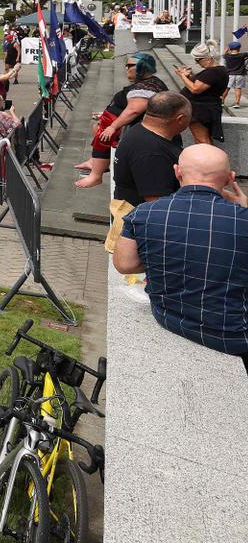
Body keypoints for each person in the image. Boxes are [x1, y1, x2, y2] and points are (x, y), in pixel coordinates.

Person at [114, 144, 248, 374]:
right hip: (234, 336)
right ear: (230, 178)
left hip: (168, 318)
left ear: (177, 172)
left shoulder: (143, 213)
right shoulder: (243, 220)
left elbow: (124, 264)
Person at [105, 91, 191, 251]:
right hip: (144, 238)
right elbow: (157, 205)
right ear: (180, 119)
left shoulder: (140, 130)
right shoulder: (151, 151)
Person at [75, 52, 167, 188]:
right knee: (99, 129)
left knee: (105, 135)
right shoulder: (145, 84)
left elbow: (134, 110)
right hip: (120, 122)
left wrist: (113, 126)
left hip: (135, 130)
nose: (126, 68)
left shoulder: (146, 88)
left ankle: (96, 175)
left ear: (142, 67)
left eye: (129, 65)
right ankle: (95, 162)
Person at [174, 40, 229, 145]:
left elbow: (195, 89)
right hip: (205, 108)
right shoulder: (218, 70)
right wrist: (188, 76)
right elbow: (204, 84)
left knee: (201, 140)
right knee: (203, 139)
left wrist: (182, 76)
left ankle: (208, 161)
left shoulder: (212, 72)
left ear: (207, 59)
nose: (196, 62)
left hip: (200, 110)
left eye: (197, 60)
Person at [225, 39, 246, 109]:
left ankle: (221, 101)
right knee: (238, 88)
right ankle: (237, 103)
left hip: (230, 75)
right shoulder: (242, 55)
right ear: (239, 48)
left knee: (227, 88)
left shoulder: (227, 56)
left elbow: (224, 53)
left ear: (230, 48)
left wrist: (227, 49)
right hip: (240, 75)